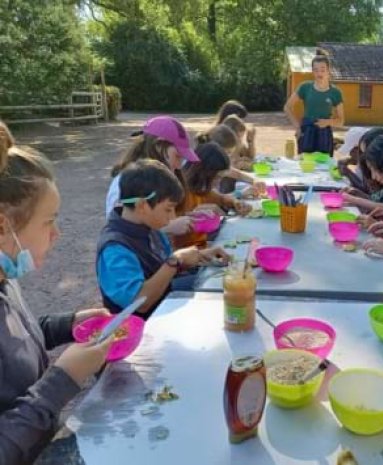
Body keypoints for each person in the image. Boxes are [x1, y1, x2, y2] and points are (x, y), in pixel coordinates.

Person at [0, 145, 112, 464]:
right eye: (48, 221)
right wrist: (63, 379)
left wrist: (67, 324)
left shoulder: (5, 281)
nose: (57, 234)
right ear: (1, 227)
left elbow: (16, 341)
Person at [97, 160, 230, 319]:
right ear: (142, 206)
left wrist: (198, 256)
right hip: (143, 326)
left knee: (220, 282)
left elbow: (162, 266)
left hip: (163, 302)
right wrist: (174, 261)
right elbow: (140, 302)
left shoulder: (147, 225)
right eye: (168, 209)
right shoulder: (115, 248)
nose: (172, 217)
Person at [105, 116, 199, 239]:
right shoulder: (124, 185)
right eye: (177, 156)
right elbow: (119, 232)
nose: (178, 165)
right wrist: (168, 228)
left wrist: (188, 217)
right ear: (158, 146)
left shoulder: (158, 179)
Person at [174, 142, 252, 249]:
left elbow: (222, 198)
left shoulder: (202, 188)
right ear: (204, 173)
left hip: (201, 247)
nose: (218, 182)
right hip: (185, 253)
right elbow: (170, 227)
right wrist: (192, 215)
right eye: (217, 178)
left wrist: (235, 203)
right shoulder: (178, 191)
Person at [283, 52, 344, 155]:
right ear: (312, 71)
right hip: (306, 131)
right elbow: (287, 107)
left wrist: (328, 122)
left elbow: (341, 121)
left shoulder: (335, 92)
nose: (319, 73)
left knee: (324, 167)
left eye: (322, 70)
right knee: (304, 165)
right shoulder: (305, 87)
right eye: (315, 70)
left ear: (328, 70)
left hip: (324, 134)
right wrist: (298, 127)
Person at [195, 125, 265, 196]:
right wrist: (241, 193)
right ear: (214, 151)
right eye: (227, 153)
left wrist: (255, 180)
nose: (229, 157)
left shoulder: (216, 164)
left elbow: (238, 174)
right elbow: (212, 200)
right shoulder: (201, 171)